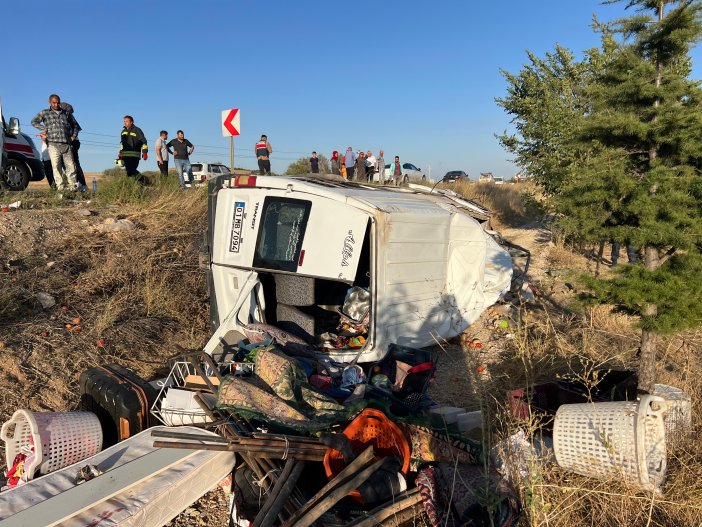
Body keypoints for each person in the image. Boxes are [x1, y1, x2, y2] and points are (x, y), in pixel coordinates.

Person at [31, 94, 81, 191]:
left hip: (66, 144)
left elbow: (75, 126)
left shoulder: (66, 113)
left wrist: (73, 137)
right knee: (56, 167)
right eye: (54, 103)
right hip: (53, 144)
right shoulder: (45, 113)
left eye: (58, 102)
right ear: (50, 102)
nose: (56, 105)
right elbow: (34, 122)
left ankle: (73, 188)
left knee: (70, 167)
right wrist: (45, 128)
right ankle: (60, 188)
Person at [58, 102, 87, 190]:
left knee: (73, 164)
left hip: (72, 142)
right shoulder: (64, 117)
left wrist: (71, 138)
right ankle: (76, 184)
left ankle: (80, 184)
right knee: (70, 164)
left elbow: (76, 128)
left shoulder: (67, 117)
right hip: (69, 142)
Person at [119, 115, 148, 183]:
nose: (125, 123)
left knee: (131, 171)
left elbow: (144, 141)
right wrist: (120, 153)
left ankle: (142, 180)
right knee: (129, 172)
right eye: (124, 121)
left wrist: (145, 152)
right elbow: (122, 144)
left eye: (126, 121)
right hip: (125, 156)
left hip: (134, 155)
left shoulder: (137, 130)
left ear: (131, 122)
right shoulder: (123, 131)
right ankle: (139, 183)